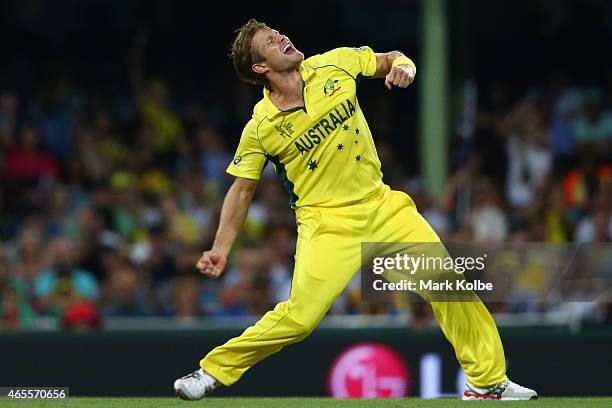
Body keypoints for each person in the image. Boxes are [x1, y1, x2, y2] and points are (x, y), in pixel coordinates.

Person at [174, 19, 537, 401]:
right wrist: (220, 247)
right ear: (260, 67)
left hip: (382, 206)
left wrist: (405, 68)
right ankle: (211, 372)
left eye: (279, 33)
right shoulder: (261, 127)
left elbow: (392, 59)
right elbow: (242, 189)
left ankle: (487, 382)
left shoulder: (335, 64)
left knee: (447, 285)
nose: (283, 37)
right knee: (300, 318)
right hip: (327, 223)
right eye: (270, 41)